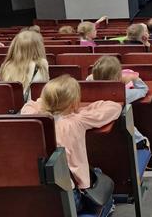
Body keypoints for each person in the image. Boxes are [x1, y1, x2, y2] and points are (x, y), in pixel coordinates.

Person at [21, 75, 121, 216]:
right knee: (97, 173)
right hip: (70, 197)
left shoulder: (35, 119)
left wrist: (46, 104)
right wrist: (82, 110)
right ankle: (105, 209)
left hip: (38, 197)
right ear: (74, 103)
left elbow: (29, 105)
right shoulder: (77, 120)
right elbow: (114, 107)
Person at [90, 56, 149, 149]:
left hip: (100, 146)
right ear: (119, 77)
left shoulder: (90, 94)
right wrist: (134, 78)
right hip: (131, 143)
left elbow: (88, 80)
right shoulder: (124, 94)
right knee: (144, 142)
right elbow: (143, 89)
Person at [0, 30, 50, 99]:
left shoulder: (5, 65)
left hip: (11, 104)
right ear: (38, 48)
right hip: (34, 103)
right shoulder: (42, 63)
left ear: (15, 47)